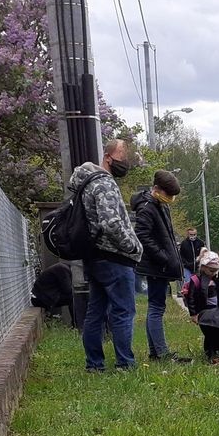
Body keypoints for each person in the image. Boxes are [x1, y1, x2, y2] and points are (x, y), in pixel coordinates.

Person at [70, 138, 143, 372]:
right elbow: (111, 223)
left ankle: (94, 364)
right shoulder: (104, 183)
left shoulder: (86, 183)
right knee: (123, 311)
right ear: (109, 157)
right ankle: (125, 363)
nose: (126, 163)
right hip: (114, 257)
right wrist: (133, 246)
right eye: (123, 157)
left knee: (96, 312)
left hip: (94, 256)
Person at [132, 170, 184, 361]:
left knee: (156, 306)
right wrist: (163, 258)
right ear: (158, 189)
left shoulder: (159, 205)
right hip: (156, 266)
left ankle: (155, 352)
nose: (170, 198)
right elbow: (142, 236)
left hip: (159, 265)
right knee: (156, 307)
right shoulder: (148, 208)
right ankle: (161, 352)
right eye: (168, 194)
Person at [183, 249, 219, 321]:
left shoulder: (217, 278)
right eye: (211, 271)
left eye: (216, 271)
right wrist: (193, 314)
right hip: (204, 311)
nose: (213, 273)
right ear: (203, 267)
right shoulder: (196, 280)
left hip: (217, 310)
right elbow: (191, 298)